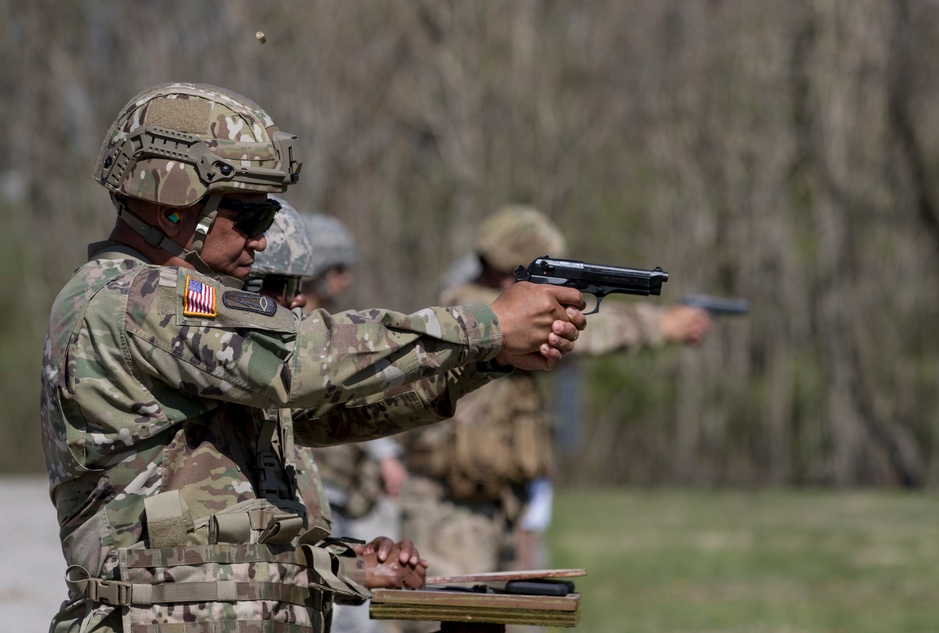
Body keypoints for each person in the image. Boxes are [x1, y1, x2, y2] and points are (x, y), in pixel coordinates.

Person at [40, 83, 586, 633]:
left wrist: (491, 361)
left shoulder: (181, 322)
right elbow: (297, 358)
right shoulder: (129, 297)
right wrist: (485, 327)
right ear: (173, 206)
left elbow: (334, 412)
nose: (261, 240)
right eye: (248, 217)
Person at [399, 205, 710, 582]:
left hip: (501, 504)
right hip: (448, 508)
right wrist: (662, 325)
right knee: (447, 619)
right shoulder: (472, 307)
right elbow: (594, 333)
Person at [298, 212, 409, 633]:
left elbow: (362, 393)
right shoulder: (295, 328)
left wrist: (385, 455)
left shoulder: (334, 326)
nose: (346, 280)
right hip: (307, 491)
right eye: (338, 270)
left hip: (337, 490)